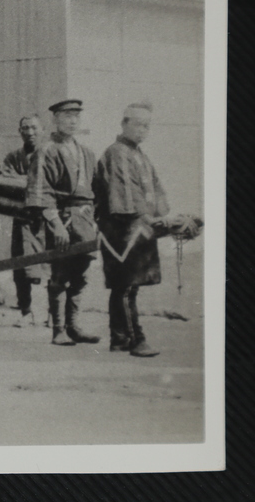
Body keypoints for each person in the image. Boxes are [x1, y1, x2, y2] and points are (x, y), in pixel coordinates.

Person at [93, 103, 169, 358]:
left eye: (147, 125)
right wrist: (149, 219)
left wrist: (163, 217)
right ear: (124, 124)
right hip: (121, 230)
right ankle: (137, 339)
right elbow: (124, 199)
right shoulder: (117, 153)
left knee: (127, 287)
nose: (143, 130)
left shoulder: (140, 155)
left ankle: (119, 338)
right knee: (125, 286)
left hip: (139, 228)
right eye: (138, 124)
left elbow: (156, 191)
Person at [24, 99, 101, 346]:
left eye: (76, 116)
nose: (72, 121)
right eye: (67, 116)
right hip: (62, 220)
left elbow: (96, 191)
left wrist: (96, 221)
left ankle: (74, 326)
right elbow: (41, 191)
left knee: (82, 275)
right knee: (60, 274)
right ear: (55, 120)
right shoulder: (46, 150)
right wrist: (55, 224)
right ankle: (58, 329)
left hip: (85, 220)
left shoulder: (87, 152)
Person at [0, 114, 47, 328]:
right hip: (21, 219)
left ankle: (52, 313)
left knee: (49, 265)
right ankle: (26, 311)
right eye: (25, 128)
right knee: (20, 266)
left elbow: (51, 183)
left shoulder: (50, 153)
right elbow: (5, 181)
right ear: (20, 132)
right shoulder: (13, 157)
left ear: (42, 130)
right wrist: (30, 182)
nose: (30, 132)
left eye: (34, 128)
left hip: (47, 219)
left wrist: (26, 182)